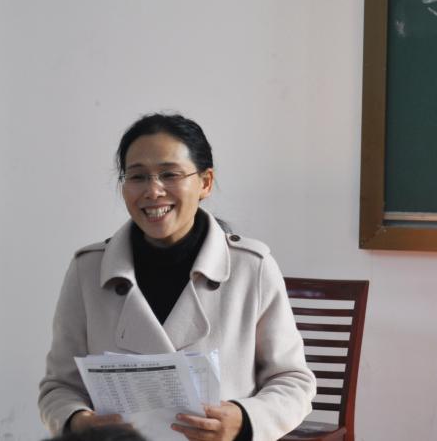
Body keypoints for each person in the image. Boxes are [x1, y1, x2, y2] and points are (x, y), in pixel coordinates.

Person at [39, 113, 316, 441]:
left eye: (169, 174)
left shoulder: (251, 267)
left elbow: (293, 382)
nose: (153, 191)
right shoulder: (88, 270)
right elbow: (59, 386)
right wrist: (78, 422)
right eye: (138, 176)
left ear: (205, 182)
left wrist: (243, 420)